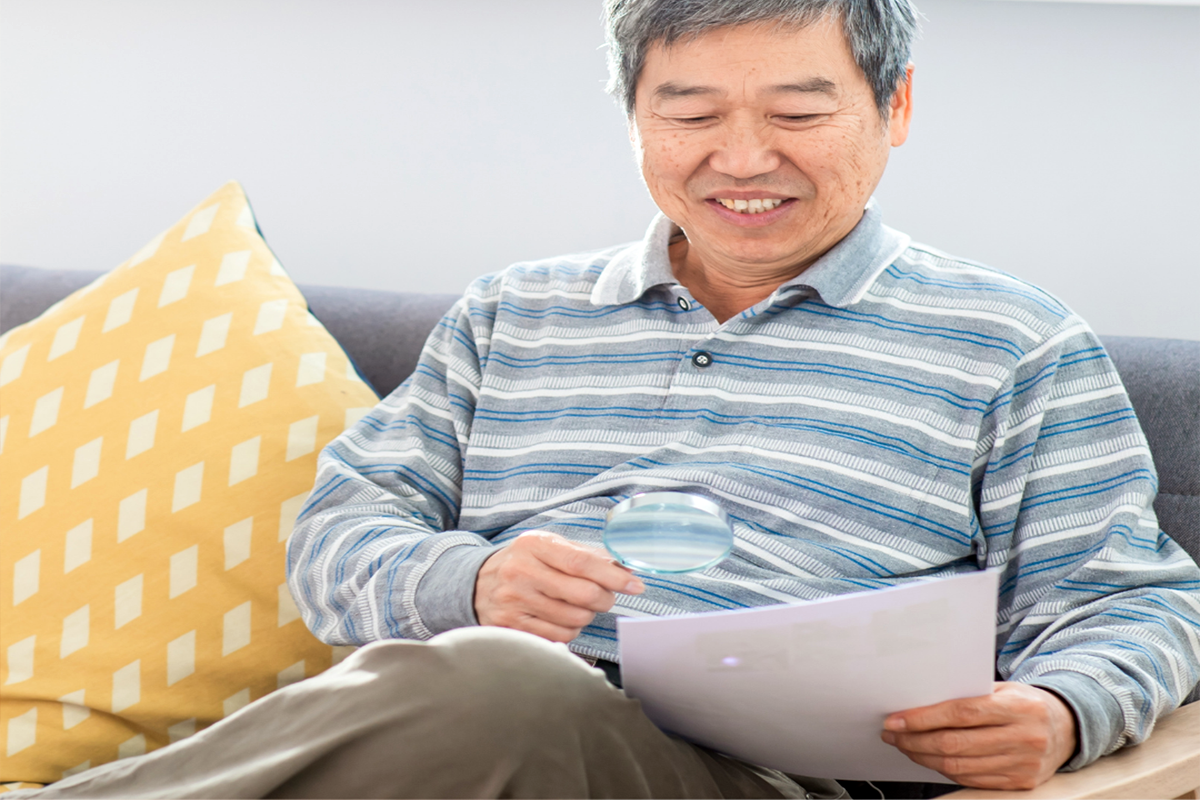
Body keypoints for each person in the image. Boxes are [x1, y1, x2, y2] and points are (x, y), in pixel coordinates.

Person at [18, 1, 1199, 798]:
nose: (742, 158)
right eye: (690, 113)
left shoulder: (1012, 343)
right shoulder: (512, 315)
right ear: (636, 119)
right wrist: (469, 579)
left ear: (891, 111)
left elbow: (1135, 602)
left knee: (500, 681)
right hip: (469, 729)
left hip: (756, 777)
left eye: (797, 111)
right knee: (489, 675)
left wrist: (1059, 706)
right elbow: (332, 540)